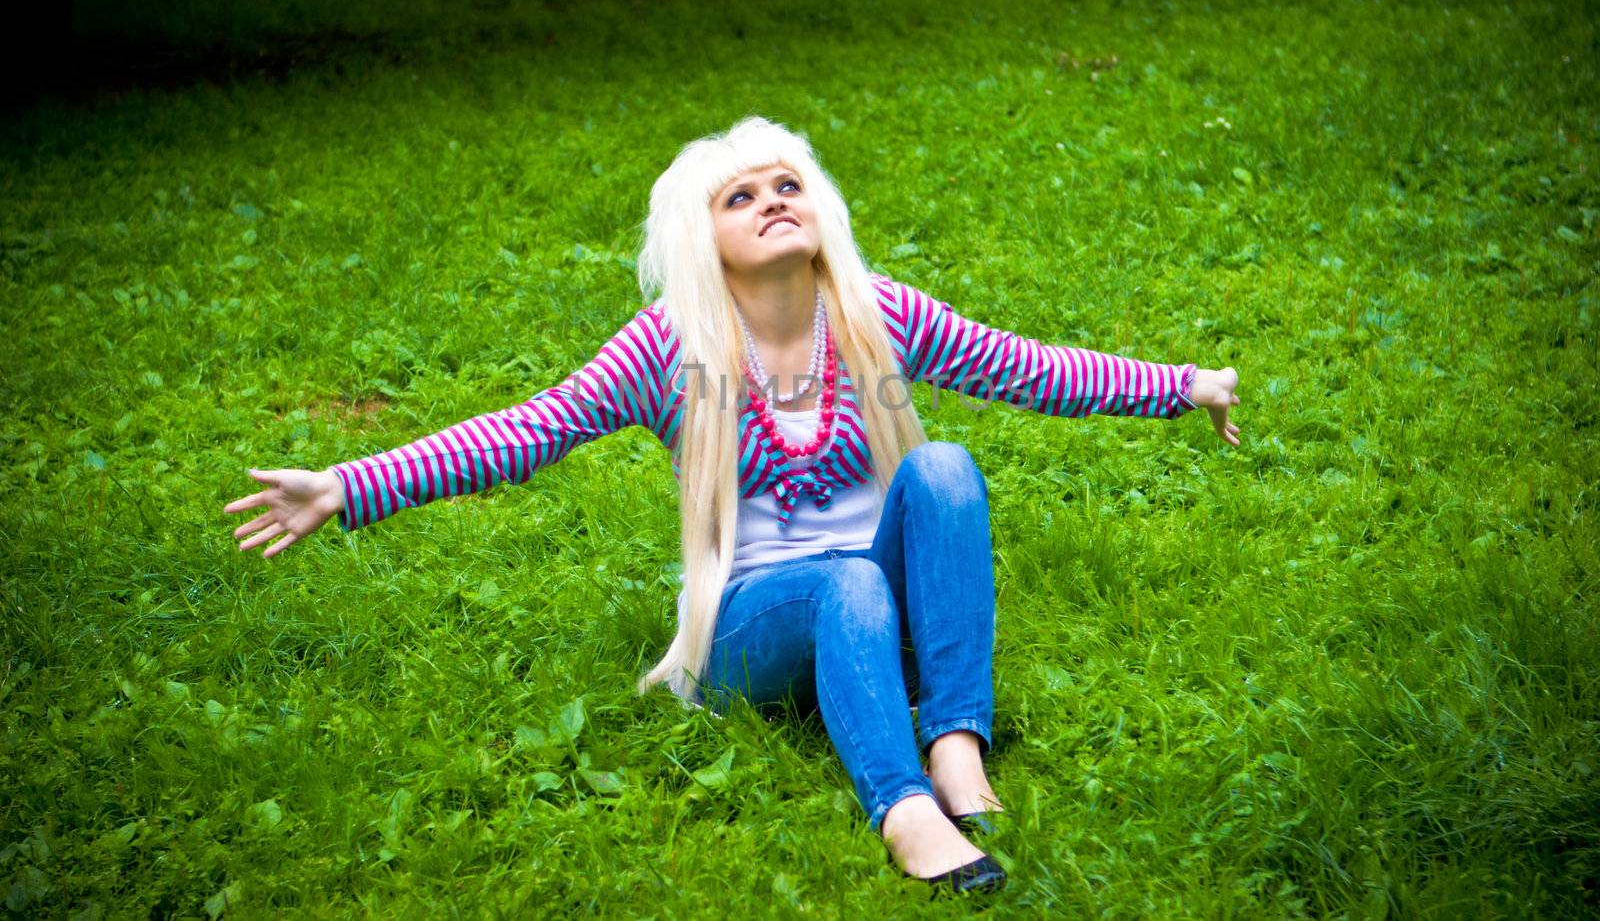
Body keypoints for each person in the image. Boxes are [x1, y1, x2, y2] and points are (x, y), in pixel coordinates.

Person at [224, 116, 1242, 896]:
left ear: (821, 208)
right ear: (698, 237)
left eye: (787, 182)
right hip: (749, 624)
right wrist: (348, 486)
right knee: (842, 578)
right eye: (738, 194)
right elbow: (525, 430)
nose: (770, 200)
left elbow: (1025, 367)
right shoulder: (668, 347)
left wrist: (1180, 382)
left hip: (873, 597)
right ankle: (904, 813)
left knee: (944, 470)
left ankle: (956, 744)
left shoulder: (873, 314)